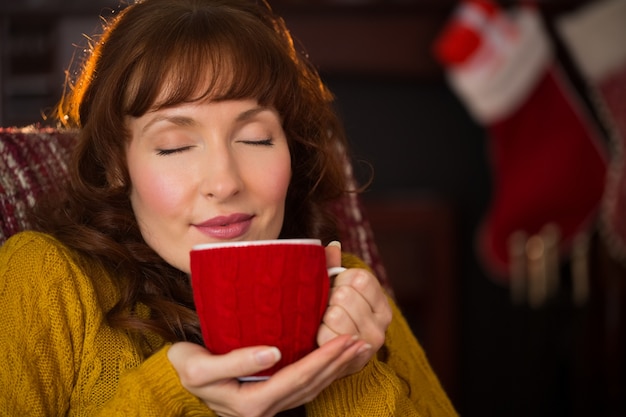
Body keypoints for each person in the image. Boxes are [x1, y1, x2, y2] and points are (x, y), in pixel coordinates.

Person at [0, 0, 458, 415]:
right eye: (175, 146)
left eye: (255, 138)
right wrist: (169, 394)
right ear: (117, 164)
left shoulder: (348, 294)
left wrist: (347, 369)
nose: (224, 182)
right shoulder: (46, 280)